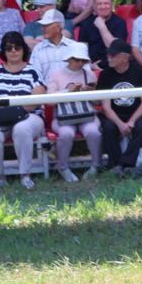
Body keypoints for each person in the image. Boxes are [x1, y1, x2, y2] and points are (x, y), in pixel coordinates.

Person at [0, 32, 46, 191]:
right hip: (2, 117)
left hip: (30, 117)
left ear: (23, 49)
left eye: (17, 47)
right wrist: (15, 106)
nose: (14, 51)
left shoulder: (33, 71)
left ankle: (25, 175)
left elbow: (35, 100)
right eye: (9, 48)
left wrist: (10, 107)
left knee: (21, 128)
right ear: (4, 51)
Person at [45, 41, 102, 183]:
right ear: (69, 58)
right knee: (66, 133)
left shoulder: (90, 75)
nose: (80, 63)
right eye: (77, 59)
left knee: (93, 132)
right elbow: (49, 101)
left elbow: (98, 103)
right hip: (63, 117)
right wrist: (67, 91)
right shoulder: (56, 74)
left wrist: (91, 93)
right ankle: (63, 167)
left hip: (86, 114)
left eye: (83, 60)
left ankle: (96, 166)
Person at [96, 43, 142, 177]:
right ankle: (116, 164)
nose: (109, 58)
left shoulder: (139, 71)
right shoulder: (105, 74)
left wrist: (132, 121)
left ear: (125, 57)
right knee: (109, 127)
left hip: (136, 113)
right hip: (114, 115)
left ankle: (124, 164)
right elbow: (106, 107)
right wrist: (120, 124)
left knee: (141, 126)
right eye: (108, 54)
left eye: (113, 55)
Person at [76, 0, 127, 68]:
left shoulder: (120, 22)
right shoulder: (86, 23)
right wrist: (89, 66)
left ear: (112, 5)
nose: (103, 7)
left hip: (114, 66)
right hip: (91, 67)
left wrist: (102, 27)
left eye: (106, 3)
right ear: (94, 6)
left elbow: (115, 48)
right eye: (99, 4)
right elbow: (82, 50)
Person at [29, 9, 76, 85]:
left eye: (46, 26)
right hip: (47, 94)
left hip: (72, 93)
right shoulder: (38, 49)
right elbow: (34, 77)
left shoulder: (74, 46)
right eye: (42, 26)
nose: (42, 28)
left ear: (58, 27)